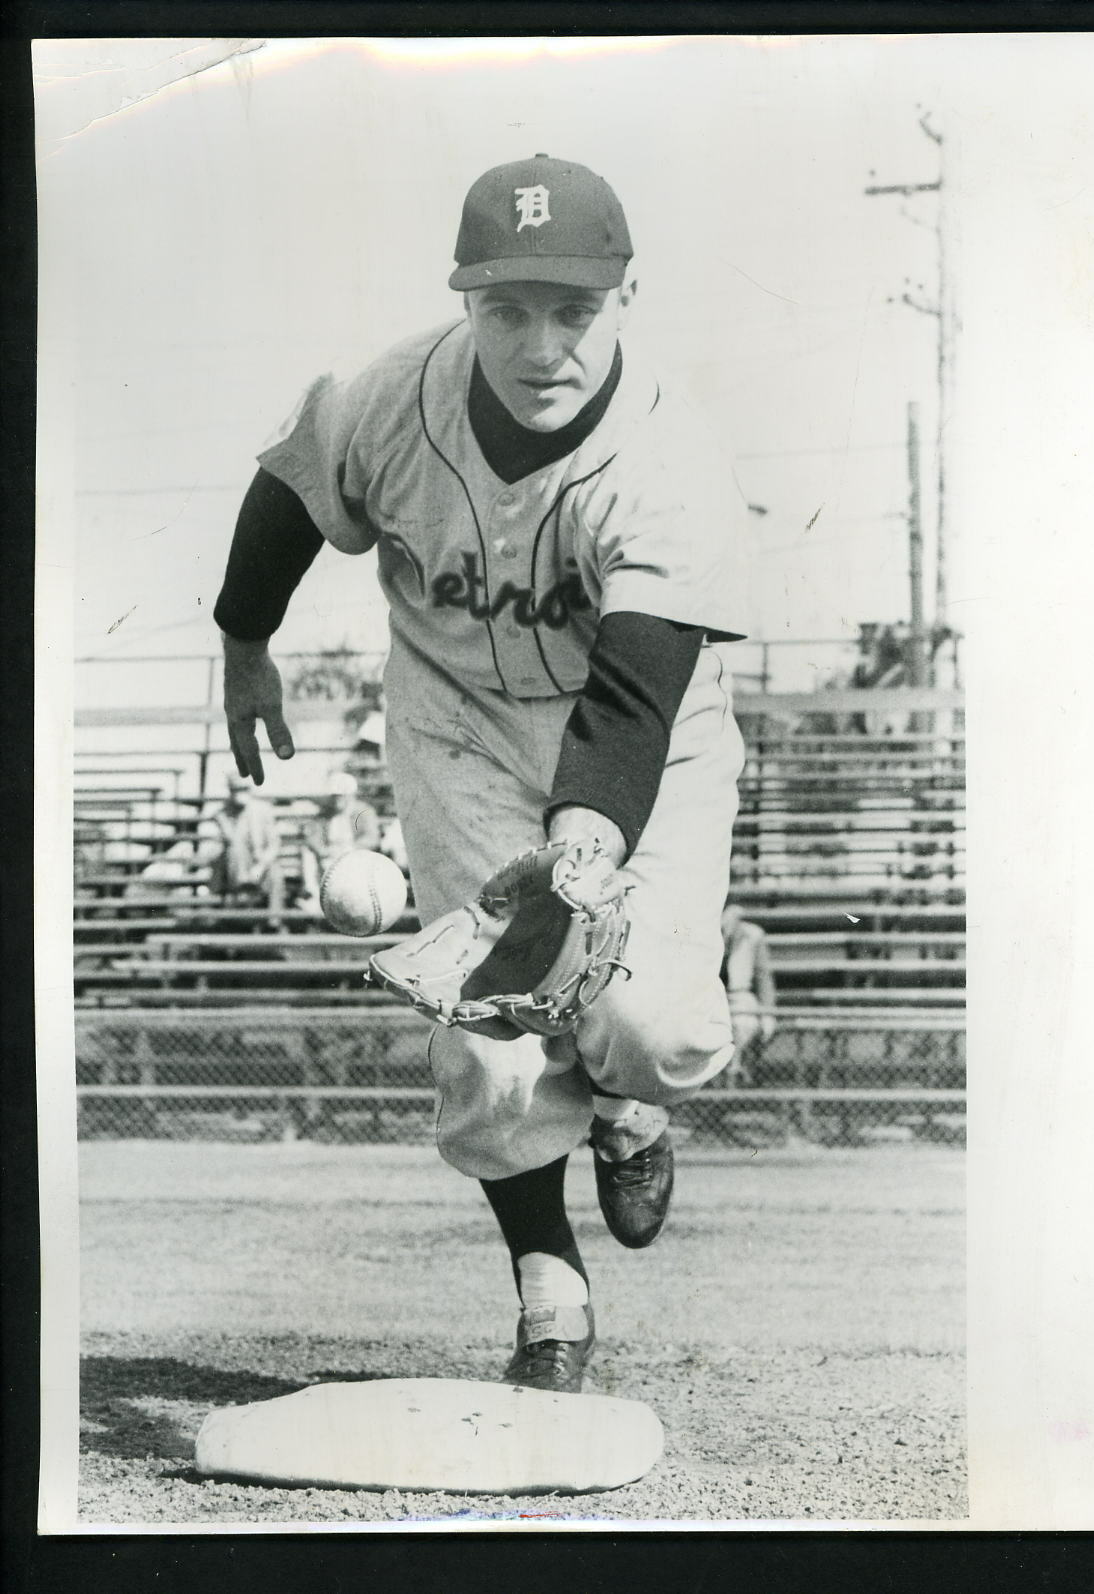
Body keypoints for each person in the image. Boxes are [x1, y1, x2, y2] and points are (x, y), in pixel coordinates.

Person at [214, 154, 749, 1393]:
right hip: (454, 720)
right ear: (465, 303)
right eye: (506, 308)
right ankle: (546, 1288)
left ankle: (630, 1103)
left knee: (652, 1028)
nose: (539, 343)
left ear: (626, 299)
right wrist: (246, 646)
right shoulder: (390, 397)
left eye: (573, 309)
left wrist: (576, 859)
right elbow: (291, 495)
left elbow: (627, 698)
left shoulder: (669, 455)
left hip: (643, 743)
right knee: (499, 1042)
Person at [298, 769, 383, 913]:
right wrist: (322, 850)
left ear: (351, 795)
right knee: (308, 852)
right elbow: (312, 836)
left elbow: (372, 838)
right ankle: (315, 896)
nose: (337, 800)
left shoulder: (364, 811)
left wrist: (349, 848)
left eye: (341, 796)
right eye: (335, 796)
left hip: (354, 856)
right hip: (329, 857)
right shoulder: (326, 814)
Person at [207, 772, 285, 917]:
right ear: (230, 791)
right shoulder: (222, 814)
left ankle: (273, 923)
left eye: (244, 789)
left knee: (275, 874)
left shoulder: (263, 810)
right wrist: (225, 825)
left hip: (260, 864)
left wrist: (260, 866)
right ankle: (241, 903)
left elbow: (274, 845)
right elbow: (215, 848)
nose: (240, 793)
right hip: (234, 869)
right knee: (233, 849)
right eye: (236, 789)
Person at [720, 903, 777, 1082]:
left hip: (740, 994)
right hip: (712, 996)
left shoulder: (753, 935)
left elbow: (763, 978)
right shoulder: (704, 932)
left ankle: (735, 1071)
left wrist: (768, 1014)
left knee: (746, 1023)